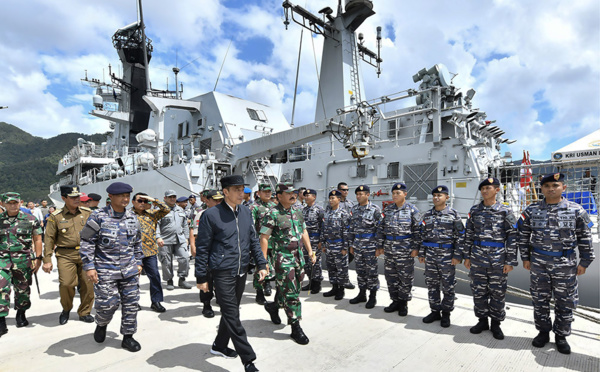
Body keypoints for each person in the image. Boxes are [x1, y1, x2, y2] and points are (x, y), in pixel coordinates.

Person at [195, 175, 267, 372]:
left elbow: (253, 240)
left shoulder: (245, 211)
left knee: (230, 311)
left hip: (241, 271)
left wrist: (261, 263)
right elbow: (202, 248)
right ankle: (248, 360)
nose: (240, 193)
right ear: (225, 192)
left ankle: (219, 345)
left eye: (242, 189)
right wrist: (201, 277)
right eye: (236, 189)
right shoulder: (211, 215)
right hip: (222, 271)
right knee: (233, 314)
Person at [518, 172, 594, 354]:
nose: (551, 189)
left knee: (565, 301)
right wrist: (525, 258)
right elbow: (522, 235)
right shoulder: (531, 210)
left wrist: (585, 261)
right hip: (539, 263)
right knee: (539, 299)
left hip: (565, 263)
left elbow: (585, 236)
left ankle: (561, 335)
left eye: (555, 185)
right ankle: (543, 332)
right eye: (547, 186)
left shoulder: (576, 210)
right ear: (541, 189)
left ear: (563, 187)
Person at [80, 181, 143, 352]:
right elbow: (86, 242)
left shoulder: (132, 217)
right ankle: (101, 324)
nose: (125, 199)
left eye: (127, 196)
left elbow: (137, 242)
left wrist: (138, 262)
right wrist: (89, 266)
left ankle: (128, 337)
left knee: (131, 304)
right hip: (105, 270)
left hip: (129, 270)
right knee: (108, 304)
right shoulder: (98, 216)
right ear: (111, 197)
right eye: (121, 196)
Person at [261, 183, 316, 345]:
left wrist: (310, 251)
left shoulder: (297, 211)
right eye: (288, 193)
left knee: (290, 287)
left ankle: (273, 306)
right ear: (279, 196)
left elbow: (303, 231)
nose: (293, 195)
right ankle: (295, 327)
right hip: (283, 259)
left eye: (294, 193)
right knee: (292, 294)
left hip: (299, 257)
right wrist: (263, 262)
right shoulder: (273, 213)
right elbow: (264, 237)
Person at [463, 178, 518, 340]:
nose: (485, 191)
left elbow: (512, 237)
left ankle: (496, 323)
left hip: (498, 259)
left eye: (488, 188)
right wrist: (467, 256)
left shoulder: (505, 211)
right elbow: (469, 235)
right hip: (477, 258)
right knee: (478, 292)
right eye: (483, 188)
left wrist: (510, 261)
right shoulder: (474, 211)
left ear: (497, 190)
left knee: (497, 292)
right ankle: (482, 321)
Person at [43, 185, 95, 325]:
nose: (76, 199)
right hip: (65, 254)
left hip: (86, 253)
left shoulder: (87, 213)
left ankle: (84, 312)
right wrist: (47, 259)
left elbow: (98, 233)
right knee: (66, 284)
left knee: (88, 284)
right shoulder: (56, 217)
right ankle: (66, 309)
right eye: (72, 197)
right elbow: (49, 238)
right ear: (64, 198)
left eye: (77, 196)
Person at [419, 185, 464, 328]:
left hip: (447, 256)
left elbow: (460, 236)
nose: (436, 198)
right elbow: (422, 235)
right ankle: (434, 311)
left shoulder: (453, 214)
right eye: (434, 196)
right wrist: (422, 253)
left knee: (448, 286)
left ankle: (446, 313)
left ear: (446, 198)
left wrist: (457, 255)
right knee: (432, 285)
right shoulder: (427, 215)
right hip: (430, 255)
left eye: (440, 195)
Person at [0, 192, 43, 337]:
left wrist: (38, 258)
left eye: (15, 202)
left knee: (23, 289)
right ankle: (1, 321)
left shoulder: (30, 219)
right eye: (9, 203)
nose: (12, 205)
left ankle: (21, 313)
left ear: (20, 202)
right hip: (2, 260)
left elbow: (37, 238)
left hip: (23, 260)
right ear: (3, 204)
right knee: (1, 289)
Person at [376, 182, 422, 316]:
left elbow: (418, 231)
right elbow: (380, 229)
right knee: (391, 277)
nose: (395, 195)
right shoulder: (387, 210)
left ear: (405, 194)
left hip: (405, 250)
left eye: (398, 193)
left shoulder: (413, 210)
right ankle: (395, 301)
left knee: (405, 278)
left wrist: (416, 248)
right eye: (393, 193)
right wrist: (380, 245)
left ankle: (403, 303)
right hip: (389, 250)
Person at [131, 192, 170, 313]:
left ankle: (156, 301)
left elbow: (166, 209)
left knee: (155, 277)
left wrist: (153, 200)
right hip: (132, 252)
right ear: (133, 202)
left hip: (150, 251)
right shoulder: (127, 214)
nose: (143, 203)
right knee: (133, 278)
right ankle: (133, 302)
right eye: (140, 201)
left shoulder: (152, 214)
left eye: (145, 201)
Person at [347, 185, 382, 309]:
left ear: (368, 195)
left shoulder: (375, 209)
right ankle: (362, 294)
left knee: (371, 272)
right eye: (357, 194)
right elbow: (350, 228)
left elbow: (380, 229)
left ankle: (372, 296)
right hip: (357, 245)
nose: (358, 196)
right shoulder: (354, 209)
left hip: (370, 246)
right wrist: (351, 245)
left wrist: (379, 246)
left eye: (361, 194)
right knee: (360, 271)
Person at [191, 190, 224, 318]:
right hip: (207, 251)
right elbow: (195, 233)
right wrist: (193, 247)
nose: (218, 202)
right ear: (207, 200)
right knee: (207, 278)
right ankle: (206, 304)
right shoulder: (201, 215)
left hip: (221, 252)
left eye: (220, 200)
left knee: (222, 280)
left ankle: (221, 301)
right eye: (215, 200)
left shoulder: (226, 213)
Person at [157, 190, 192, 290]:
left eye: (174, 197)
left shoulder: (180, 210)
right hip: (165, 240)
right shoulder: (160, 210)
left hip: (179, 239)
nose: (172, 199)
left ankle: (182, 279)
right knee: (166, 262)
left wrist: (186, 238)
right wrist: (158, 237)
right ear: (165, 198)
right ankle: (169, 280)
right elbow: (156, 225)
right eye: (170, 197)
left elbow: (185, 225)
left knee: (185, 258)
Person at [321, 190, 351, 300]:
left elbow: (346, 232)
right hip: (329, 245)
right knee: (331, 268)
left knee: (341, 269)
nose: (331, 200)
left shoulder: (344, 213)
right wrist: (324, 244)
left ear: (339, 199)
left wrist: (345, 247)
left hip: (339, 245)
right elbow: (324, 230)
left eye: (333, 198)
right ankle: (334, 287)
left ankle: (341, 290)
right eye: (330, 198)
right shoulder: (327, 213)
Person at [250, 184, 276, 305]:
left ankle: (267, 285)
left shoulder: (274, 206)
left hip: (274, 243)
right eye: (264, 191)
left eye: (269, 191)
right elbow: (251, 227)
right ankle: (259, 292)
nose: (267, 193)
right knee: (260, 267)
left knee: (273, 267)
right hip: (260, 242)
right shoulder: (254, 207)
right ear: (259, 193)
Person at [301, 189, 325, 294]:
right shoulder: (303, 210)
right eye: (305, 195)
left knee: (315, 263)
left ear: (314, 197)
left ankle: (317, 284)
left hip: (315, 240)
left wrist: (321, 240)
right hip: (305, 241)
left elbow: (324, 226)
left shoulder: (319, 210)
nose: (306, 197)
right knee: (306, 263)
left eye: (308, 195)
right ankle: (310, 282)